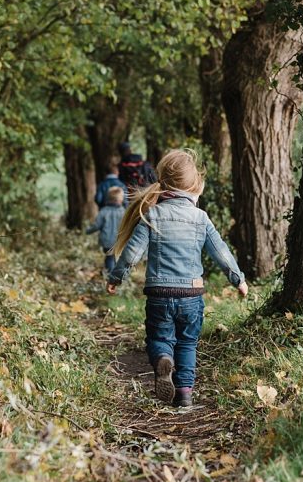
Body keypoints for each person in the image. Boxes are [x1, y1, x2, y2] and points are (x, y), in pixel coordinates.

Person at [106, 149, 248, 408]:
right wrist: (238, 279)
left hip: (159, 293)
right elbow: (221, 253)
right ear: (193, 185)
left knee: (159, 337)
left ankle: (162, 358)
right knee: (187, 343)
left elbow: (131, 254)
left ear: (164, 182)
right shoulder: (200, 218)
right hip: (191, 295)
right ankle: (184, 394)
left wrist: (116, 277)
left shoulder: (153, 214)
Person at [86, 187, 126, 275]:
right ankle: (116, 276)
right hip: (120, 240)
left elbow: (96, 225)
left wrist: (87, 231)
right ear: (120, 199)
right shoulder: (123, 212)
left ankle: (110, 275)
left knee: (109, 258)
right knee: (117, 258)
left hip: (107, 241)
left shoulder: (104, 211)